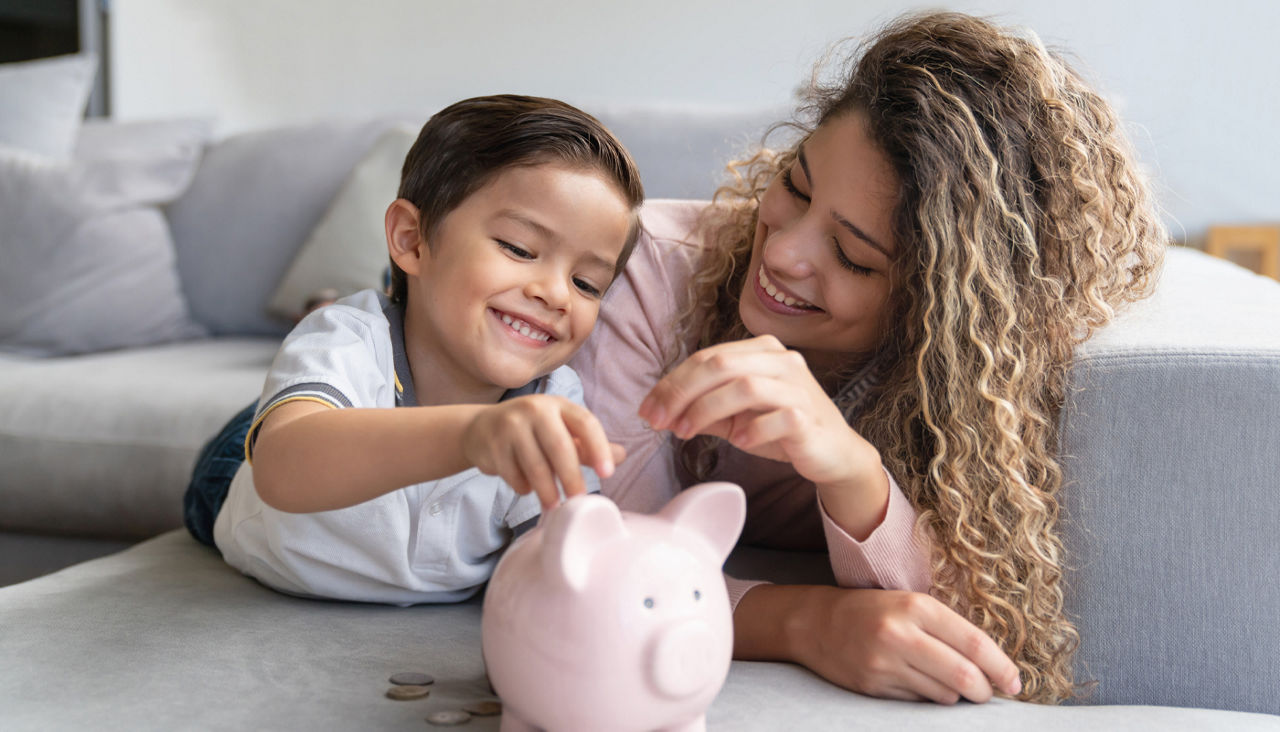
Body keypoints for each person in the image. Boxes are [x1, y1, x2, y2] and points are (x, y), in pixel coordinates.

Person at [569, 11, 1165, 705]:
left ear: (935, 306)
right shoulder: (647, 276)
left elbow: (985, 623)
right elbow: (609, 566)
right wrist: (807, 622)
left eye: (852, 257)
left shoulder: (977, 382)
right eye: (795, 185)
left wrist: (851, 468)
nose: (785, 252)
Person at [183, 94, 644, 605]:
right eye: (517, 249)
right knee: (305, 375)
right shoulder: (351, 340)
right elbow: (281, 467)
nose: (555, 294)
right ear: (412, 238)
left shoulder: (555, 401)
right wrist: (472, 436)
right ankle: (324, 325)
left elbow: (561, 564)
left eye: (586, 283)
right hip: (244, 474)